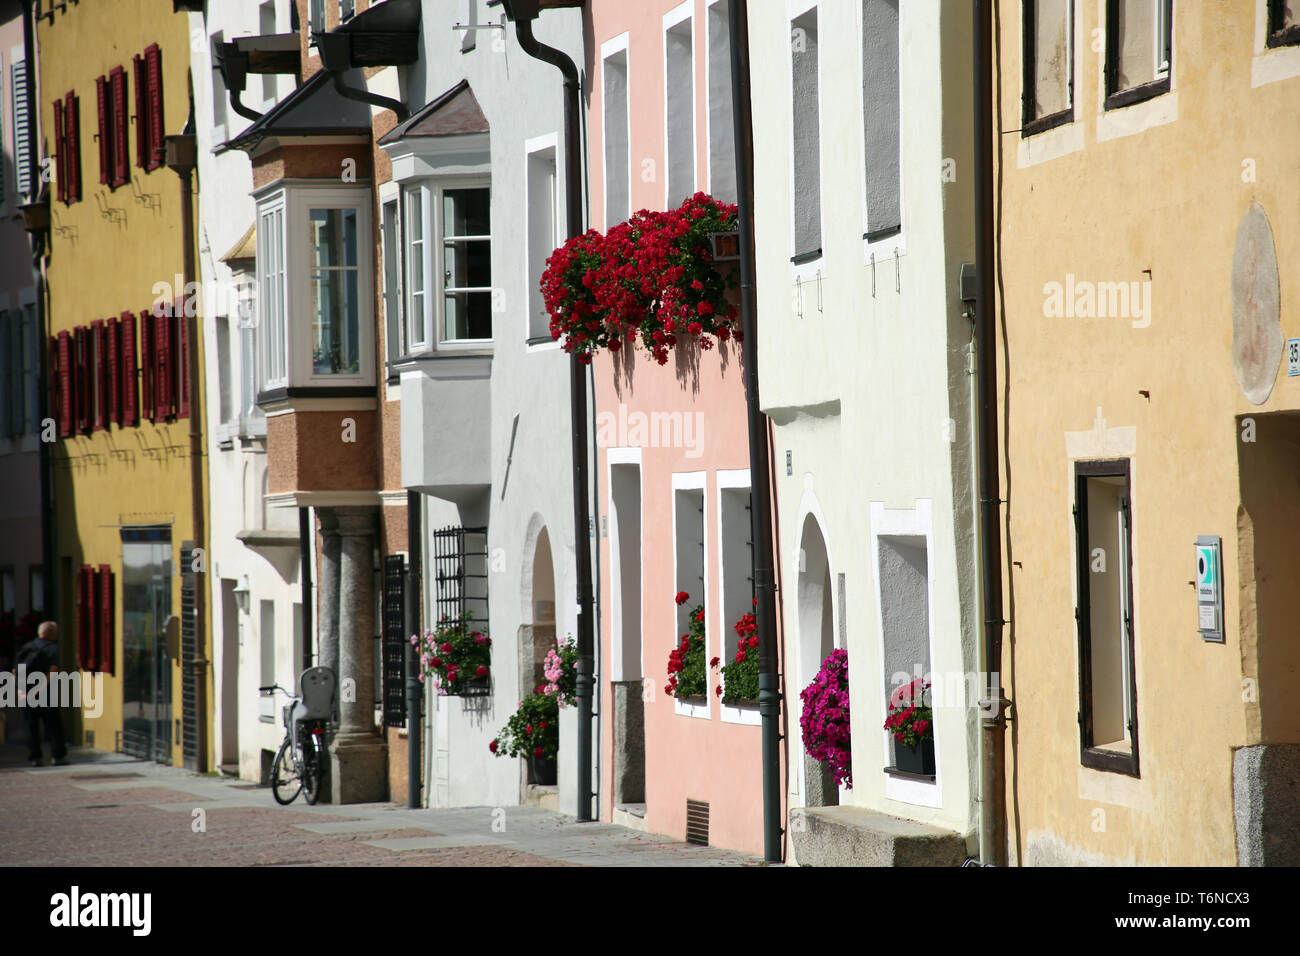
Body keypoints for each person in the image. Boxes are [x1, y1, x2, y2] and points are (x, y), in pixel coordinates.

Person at [16, 621, 68, 767]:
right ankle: (58, 756)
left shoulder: (27, 647)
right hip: (45, 694)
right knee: (53, 726)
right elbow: (53, 671)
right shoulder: (52, 648)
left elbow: (16, 671)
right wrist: (39, 690)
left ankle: (35, 758)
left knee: (31, 727)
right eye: (55, 632)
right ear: (51, 633)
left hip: (26, 693)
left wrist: (21, 691)